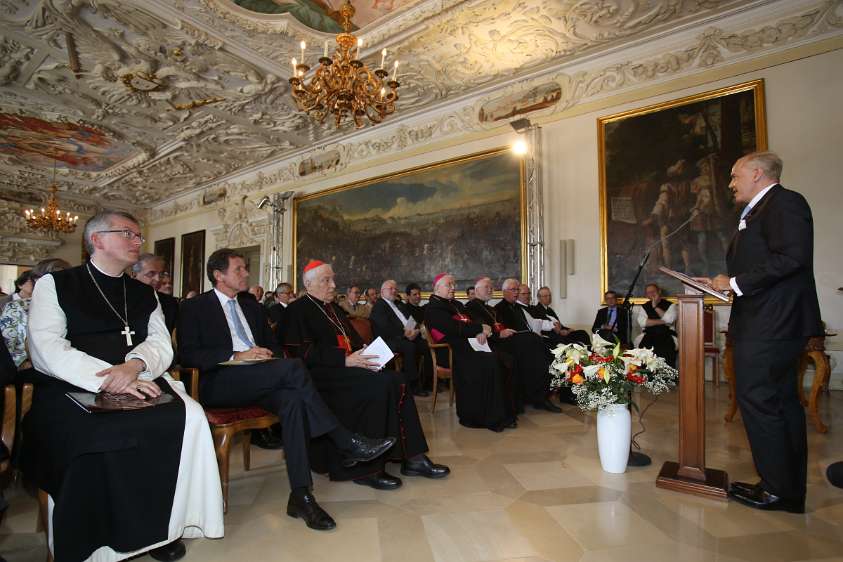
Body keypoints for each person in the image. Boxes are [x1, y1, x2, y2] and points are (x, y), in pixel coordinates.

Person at [22, 210, 224, 562]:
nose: (137, 241)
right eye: (127, 234)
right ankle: (95, 539)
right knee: (94, 434)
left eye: (138, 235)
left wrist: (134, 367)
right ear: (97, 240)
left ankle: (164, 528)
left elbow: (160, 342)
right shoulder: (55, 285)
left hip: (139, 377)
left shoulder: (144, 293)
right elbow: (47, 347)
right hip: (72, 383)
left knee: (188, 415)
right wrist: (109, 379)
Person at [178, 249, 396, 530]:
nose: (246, 273)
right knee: (294, 368)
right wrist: (236, 355)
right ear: (219, 275)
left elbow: (276, 346)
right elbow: (189, 355)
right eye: (239, 269)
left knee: (292, 399)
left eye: (245, 268)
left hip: (261, 377)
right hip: (220, 382)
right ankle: (344, 440)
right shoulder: (195, 307)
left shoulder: (252, 308)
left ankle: (301, 495)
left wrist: (269, 355)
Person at [705, 151, 821, 513]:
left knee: (761, 401)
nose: (731, 183)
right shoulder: (758, 211)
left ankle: (778, 490)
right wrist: (729, 283)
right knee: (778, 402)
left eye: (735, 175)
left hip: (772, 323)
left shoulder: (784, 203)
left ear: (756, 173)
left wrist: (734, 283)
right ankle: (783, 488)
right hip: (765, 321)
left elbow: (791, 258)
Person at [284, 260, 449, 491]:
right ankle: (367, 469)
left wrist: (365, 352)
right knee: (378, 384)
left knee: (397, 379)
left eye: (333, 279)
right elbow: (300, 352)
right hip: (321, 374)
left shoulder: (334, 309)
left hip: (348, 367)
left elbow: (353, 340)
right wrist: (343, 359)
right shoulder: (297, 310)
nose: (333, 285)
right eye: (326, 280)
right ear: (308, 284)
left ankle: (413, 456)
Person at [425, 274, 516, 431]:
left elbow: (470, 322)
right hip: (449, 351)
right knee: (489, 360)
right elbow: (452, 328)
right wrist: (480, 328)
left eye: (453, 284)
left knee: (501, 357)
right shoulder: (433, 308)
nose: (453, 288)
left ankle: (502, 412)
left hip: (466, 345)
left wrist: (479, 331)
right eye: (449, 285)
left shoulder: (456, 304)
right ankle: (480, 416)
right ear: (437, 288)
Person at [466, 277, 552, 414]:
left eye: (491, 287)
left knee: (536, 343)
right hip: (494, 343)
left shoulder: (489, 308)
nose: (490, 289)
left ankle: (538, 395)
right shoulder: (471, 307)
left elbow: (499, 325)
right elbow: (479, 327)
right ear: (476, 290)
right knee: (533, 341)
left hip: (505, 340)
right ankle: (537, 397)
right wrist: (498, 333)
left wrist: (503, 332)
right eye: (486, 287)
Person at [0, 259, 70, 371]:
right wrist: (25, 363)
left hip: (70, 366)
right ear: (37, 281)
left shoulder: (74, 306)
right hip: (32, 369)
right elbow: (7, 343)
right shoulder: (17, 307)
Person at [369, 279, 429, 397]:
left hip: (407, 335)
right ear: (382, 291)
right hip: (389, 340)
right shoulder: (379, 306)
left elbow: (411, 319)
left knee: (425, 345)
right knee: (410, 347)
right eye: (390, 289)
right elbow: (384, 327)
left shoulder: (398, 304)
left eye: (395, 289)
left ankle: (426, 382)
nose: (394, 291)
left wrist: (416, 330)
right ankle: (412, 385)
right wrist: (404, 334)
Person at [523, 284, 590, 347]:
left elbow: (559, 324)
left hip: (562, 333)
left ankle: (591, 352)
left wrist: (568, 329)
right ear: (539, 298)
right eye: (546, 296)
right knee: (576, 344)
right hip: (552, 336)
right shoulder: (536, 310)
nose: (549, 298)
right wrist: (560, 331)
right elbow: (542, 327)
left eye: (550, 295)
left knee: (582, 333)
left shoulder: (550, 310)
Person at [131, 254, 179, 335]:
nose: (158, 279)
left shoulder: (170, 303)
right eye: (151, 274)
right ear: (134, 275)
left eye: (161, 274)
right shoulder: (124, 300)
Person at [634, 283, 677, 366]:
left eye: (653, 291)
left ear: (659, 291)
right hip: (649, 334)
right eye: (648, 292)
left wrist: (655, 307)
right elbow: (643, 322)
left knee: (665, 349)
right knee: (645, 351)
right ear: (646, 295)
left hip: (666, 334)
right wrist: (663, 321)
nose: (651, 294)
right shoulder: (644, 306)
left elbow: (670, 320)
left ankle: (666, 372)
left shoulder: (671, 305)